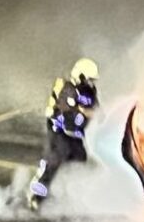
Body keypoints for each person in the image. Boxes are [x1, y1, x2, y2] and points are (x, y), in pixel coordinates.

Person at [26, 58, 100, 211]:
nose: (91, 82)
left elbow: (96, 110)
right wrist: (85, 112)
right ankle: (36, 197)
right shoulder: (68, 89)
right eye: (88, 79)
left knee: (81, 161)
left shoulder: (90, 91)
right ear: (80, 76)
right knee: (53, 161)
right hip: (59, 132)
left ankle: (71, 197)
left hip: (77, 134)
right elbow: (69, 111)